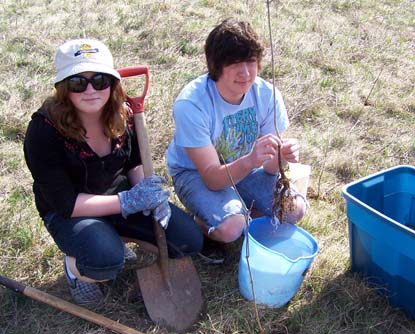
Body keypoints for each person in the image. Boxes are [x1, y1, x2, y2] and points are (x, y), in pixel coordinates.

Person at [24, 39, 203, 306]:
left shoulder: (124, 114)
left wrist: (150, 194)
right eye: (77, 82)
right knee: (105, 258)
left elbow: (133, 164)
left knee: (188, 240)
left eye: (99, 80)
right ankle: (76, 268)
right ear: (63, 88)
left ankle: (114, 235)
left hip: (120, 200)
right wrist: (128, 201)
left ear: (112, 82)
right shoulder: (43, 131)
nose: (90, 90)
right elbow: (66, 204)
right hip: (71, 212)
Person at [166, 19, 306, 264]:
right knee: (231, 228)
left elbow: (271, 169)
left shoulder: (266, 95)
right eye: (234, 64)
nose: (246, 73)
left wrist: (280, 157)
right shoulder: (192, 104)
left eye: (251, 62)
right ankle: (200, 223)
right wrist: (252, 160)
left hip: (246, 169)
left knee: (294, 210)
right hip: (195, 174)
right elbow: (211, 177)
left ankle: (240, 212)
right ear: (216, 66)